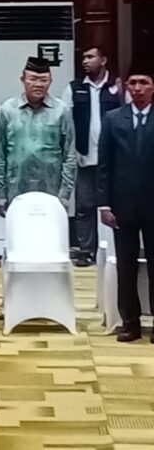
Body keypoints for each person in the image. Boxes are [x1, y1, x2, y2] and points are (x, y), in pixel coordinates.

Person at [98, 61, 154, 343]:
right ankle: (130, 322)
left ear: (152, 87)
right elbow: (104, 165)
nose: (138, 88)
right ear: (126, 87)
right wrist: (104, 204)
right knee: (126, 266)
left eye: (144, 82)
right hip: (122, 207)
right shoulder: (113, 119)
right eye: (133, 83)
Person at [0, 57, 76, 216]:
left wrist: (65, 195)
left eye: (44, 80)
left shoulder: (61, 110)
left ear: (50, 81)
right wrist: (0, 193)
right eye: (33, 79)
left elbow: (69, 155)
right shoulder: (7, 109)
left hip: (52, 192)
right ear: (23, 79)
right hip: (15, 191)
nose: (38, 84)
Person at [62, 45, 122, 266]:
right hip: (84, 156)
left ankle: (114, 250)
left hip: (114, 159)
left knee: (113, 206)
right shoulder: (74, 88)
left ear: (103, 60)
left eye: (90, 57)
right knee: (85, 206)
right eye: (83, 57)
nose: (85, 61)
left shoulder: (117, 87)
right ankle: (87, 251)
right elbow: (65, 123)